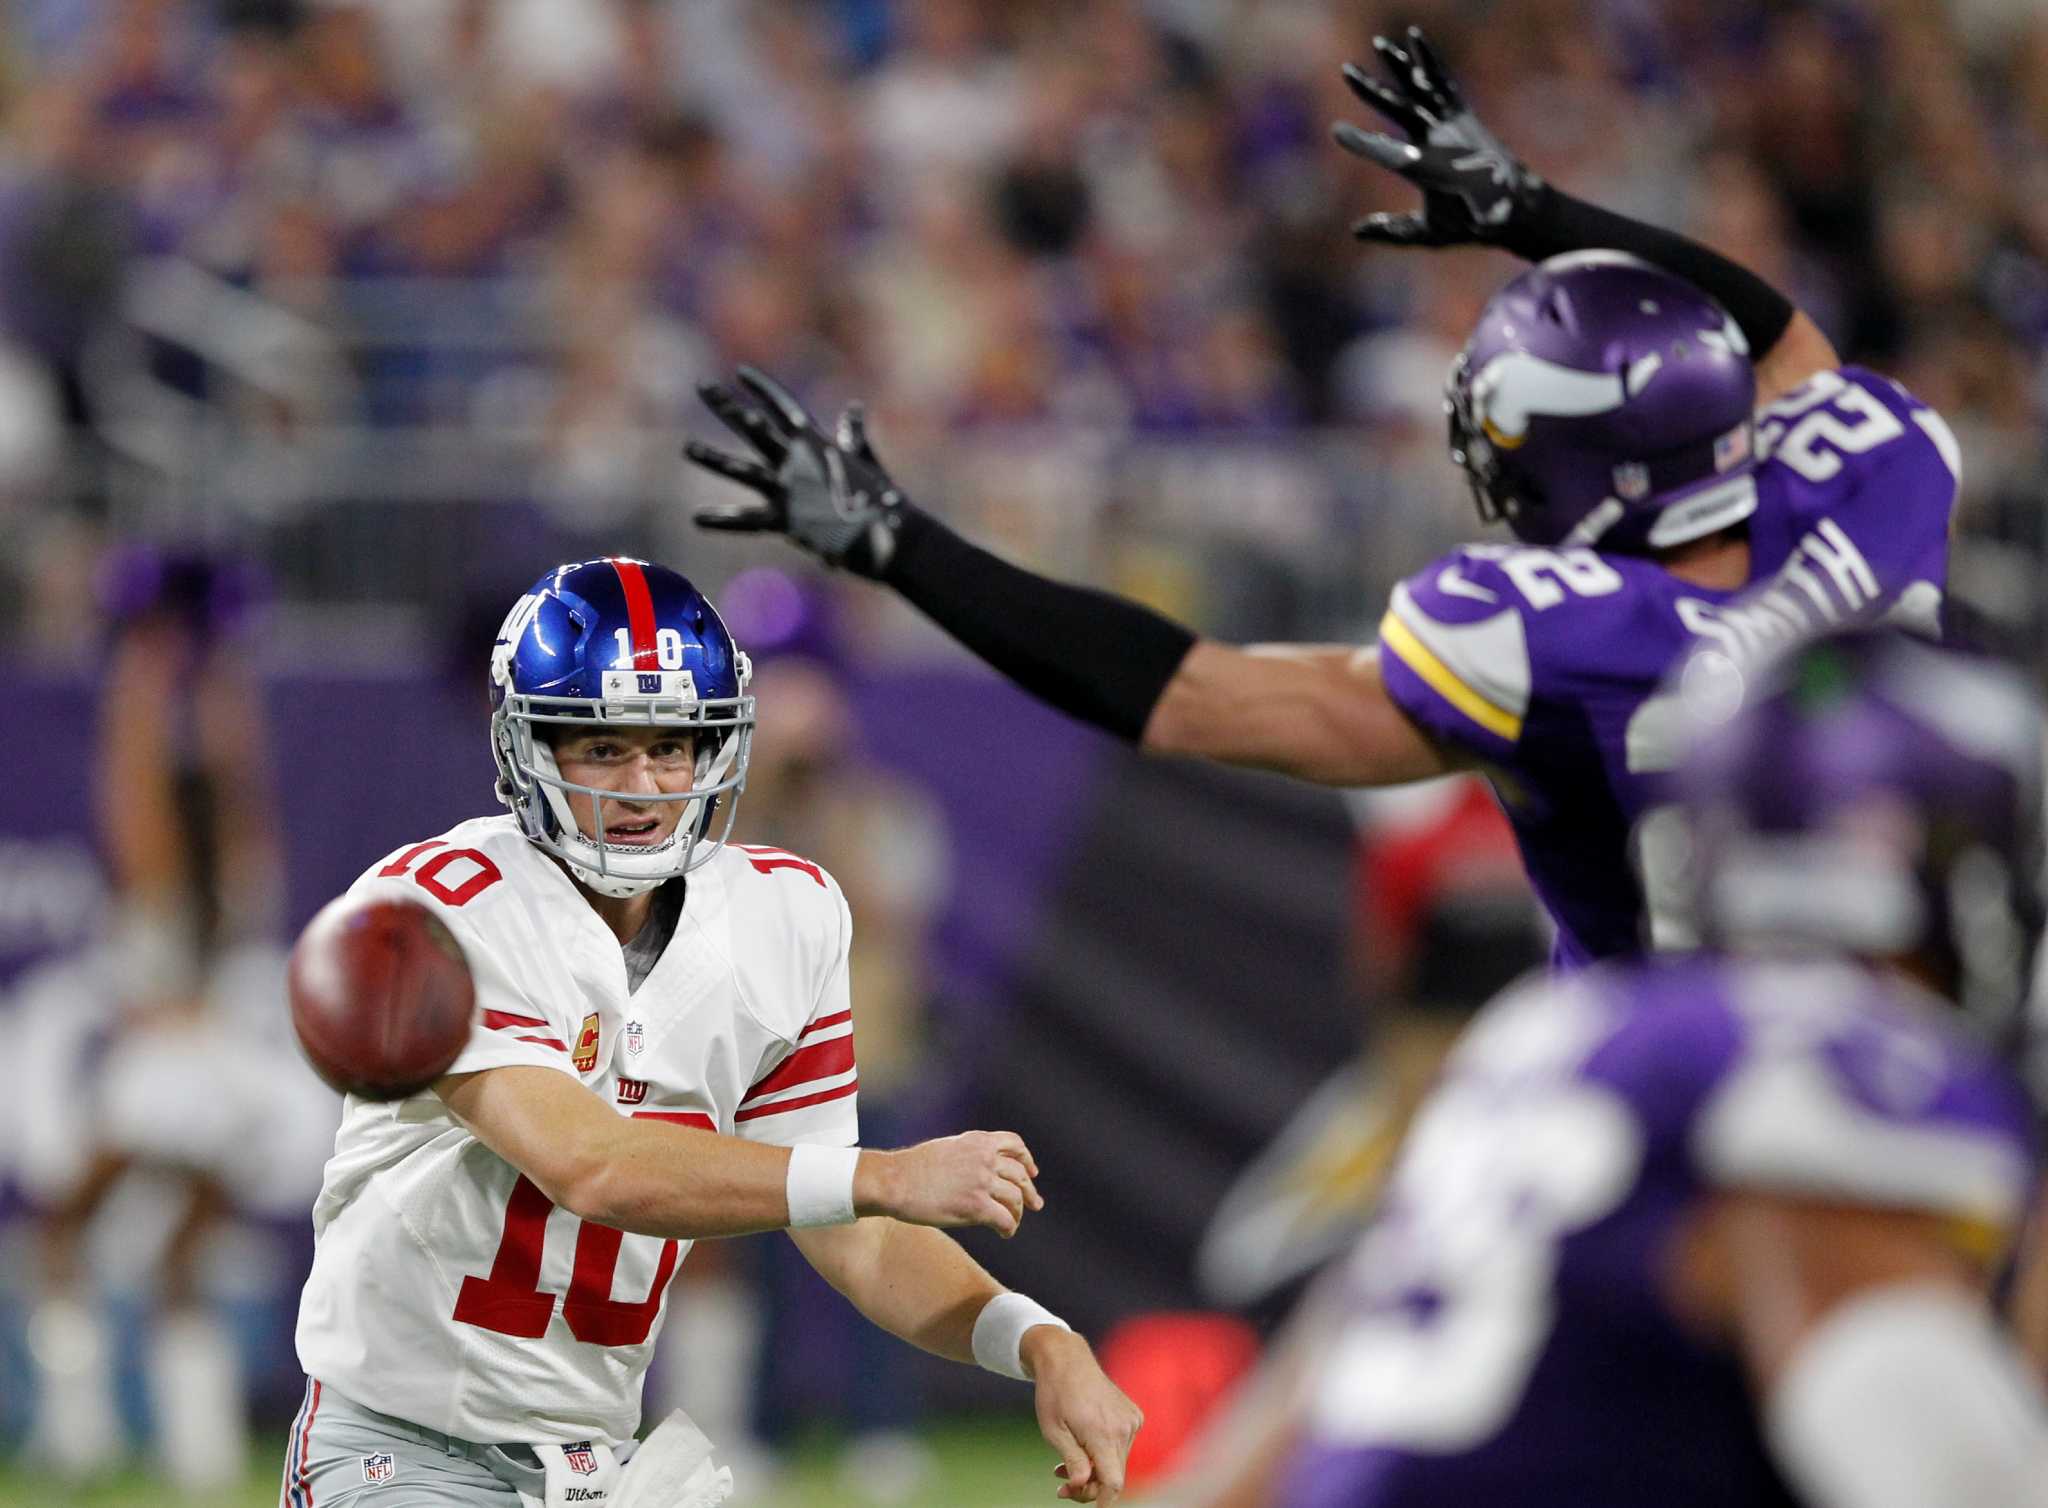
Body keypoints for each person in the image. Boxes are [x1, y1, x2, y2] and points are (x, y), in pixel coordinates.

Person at [681, 28, 1957, 968]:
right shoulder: (1873, 471)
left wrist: (904, 545)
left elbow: (1186, 697)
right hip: (1931, 1074)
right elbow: (1780, 338)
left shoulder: (1555, 638)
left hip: (1671, 1117)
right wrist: (1533, 213)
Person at [284, 557, 1141, 1506]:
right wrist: (885, 1176)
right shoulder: (442, 911)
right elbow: (591, 1165)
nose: (643, 785)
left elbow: (857, 1245)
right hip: (405, 1453)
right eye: (602, 749)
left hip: (594, 1464)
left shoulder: (788, 912)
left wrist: (1035, 1337)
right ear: (527, 749)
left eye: (671, 746)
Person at [1157, 631, 2048, 1508]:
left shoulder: (1542, 1036)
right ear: (1963, 876)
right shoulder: (1843, 1061)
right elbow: (1927, 1451)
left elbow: (1262, 1460)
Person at [11, 549, 334, 1492]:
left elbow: (136, 787)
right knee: (179, 1256)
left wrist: (144, 673)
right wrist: (218, 666)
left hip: (179, 1069)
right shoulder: (245, 869)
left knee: (63, 1233)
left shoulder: (161, 875)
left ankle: (79, 1436)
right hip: (244, 1078)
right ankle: (197, 1456)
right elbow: (241, 784)